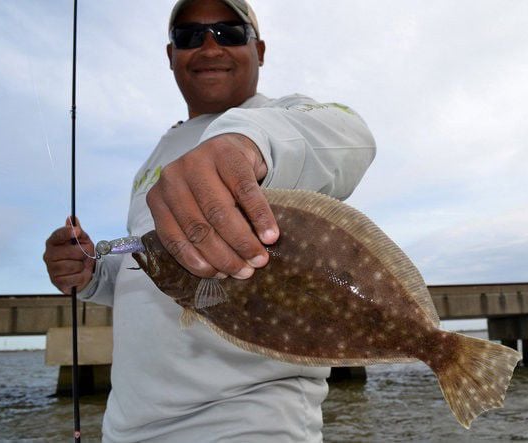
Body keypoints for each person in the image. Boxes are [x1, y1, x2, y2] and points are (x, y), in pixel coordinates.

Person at [43, 0, 376, 441]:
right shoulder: (155, 156)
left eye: (229, 32)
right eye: (189, 36)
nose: (209, 45)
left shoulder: (280, 118)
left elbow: (352, 137)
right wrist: (91, 275)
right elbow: (150, 264)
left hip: (252, 424)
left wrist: (246, 146)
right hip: (128, 427)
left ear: (259, 50)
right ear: (171, 56)